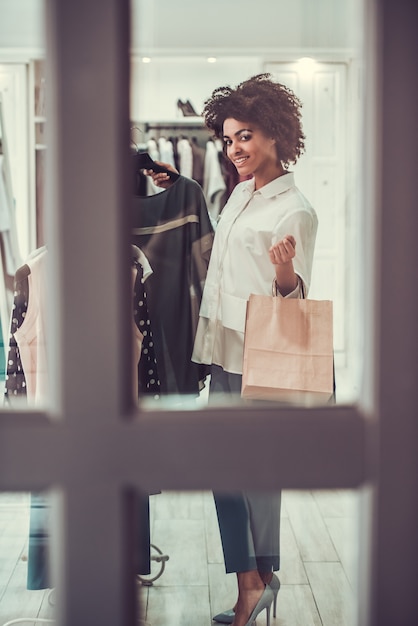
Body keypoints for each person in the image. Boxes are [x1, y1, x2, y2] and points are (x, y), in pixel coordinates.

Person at [146, 73, 318, 626]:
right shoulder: (241, 192)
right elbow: (218, 261)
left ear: (273, 134)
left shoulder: (297, 210)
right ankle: (255, 580)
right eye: (227, 138)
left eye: (244, 136)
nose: (234, 148)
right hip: (220, 351)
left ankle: (255, 585)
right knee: (228, 469)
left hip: (259, 358)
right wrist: (175, 184)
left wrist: (286, 271)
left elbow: (295, 300)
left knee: (256, 475)